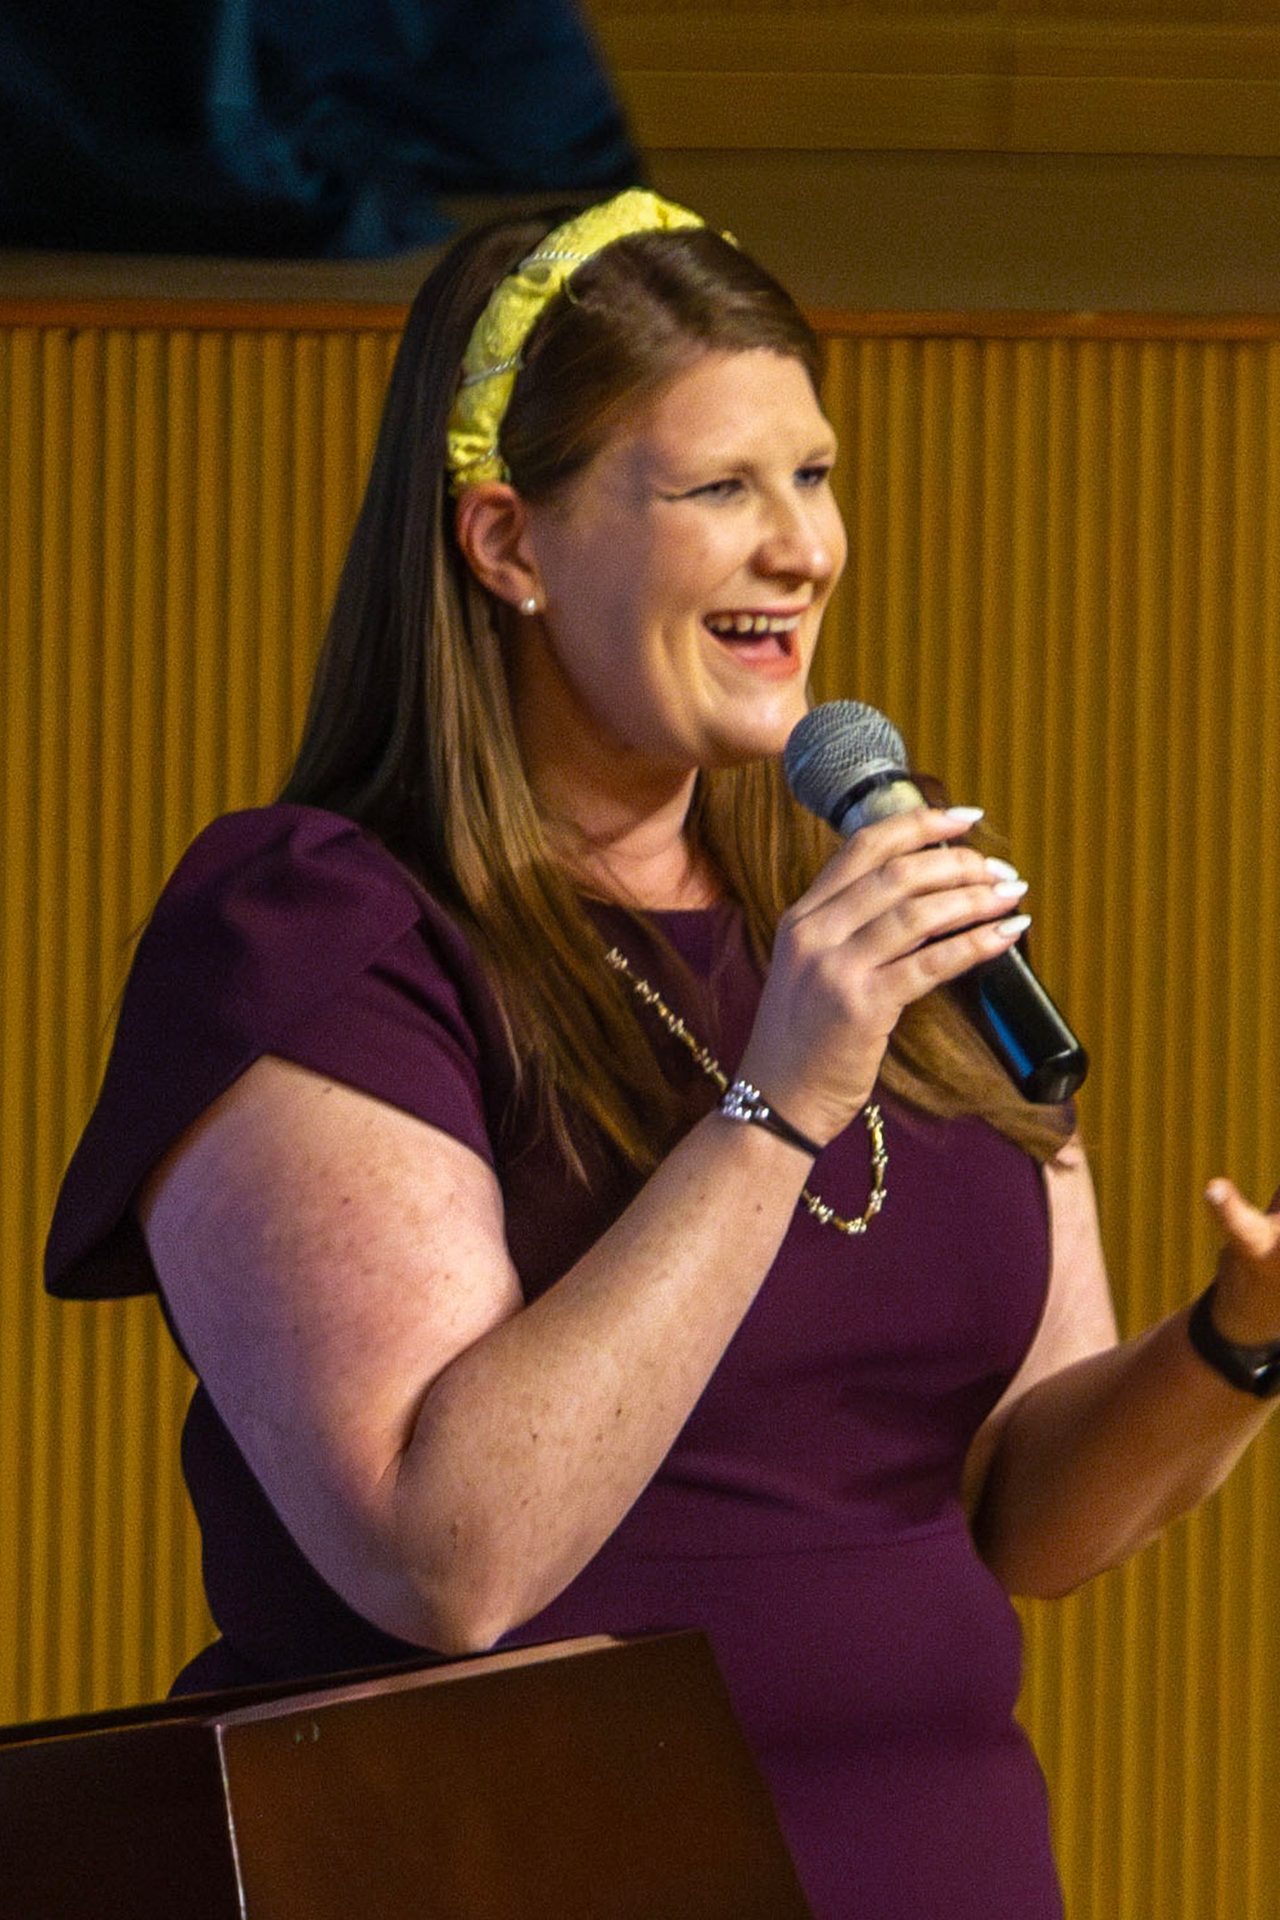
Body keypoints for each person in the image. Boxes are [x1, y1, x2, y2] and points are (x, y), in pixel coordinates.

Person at [44, 189, 1280, 1919]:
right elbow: (444, 1554)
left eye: (816, 474)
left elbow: (1026, 1518)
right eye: (719, 489)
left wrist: (1240, 1345)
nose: (805, 547)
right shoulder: (318, 927)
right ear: (508, 545)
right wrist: (779, 1099)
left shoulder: (866, 925)